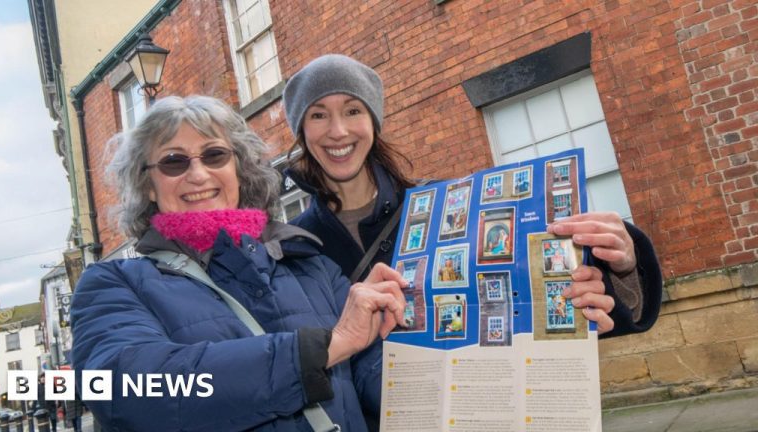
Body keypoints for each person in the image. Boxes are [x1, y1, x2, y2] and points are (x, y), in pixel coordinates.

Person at [70, 95, 408, 431]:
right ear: (149, 186)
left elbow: (381, 381)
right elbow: (131, 390)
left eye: (215, 155)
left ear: (239, 170)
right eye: (174, 161)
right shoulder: (114, 284)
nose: (198, 174)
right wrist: (320, 351)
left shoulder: (310, 264)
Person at [283, 54, 662, 339]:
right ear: (302, 131)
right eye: (318, 115)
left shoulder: (448, 206)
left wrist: (622, 266)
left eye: (352, 110)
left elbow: (531, 298)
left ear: (373, 123)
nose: (337, 130)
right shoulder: (294, 247)